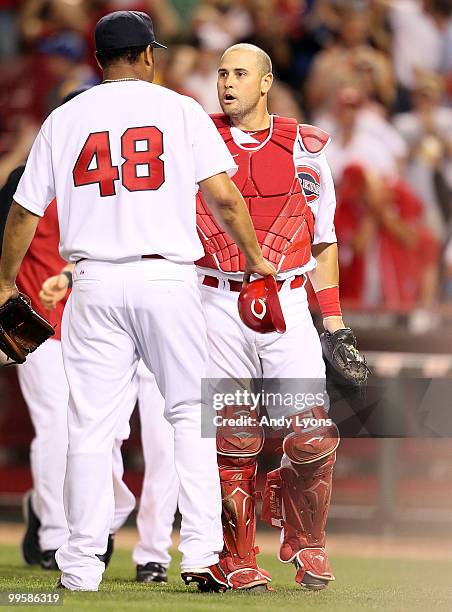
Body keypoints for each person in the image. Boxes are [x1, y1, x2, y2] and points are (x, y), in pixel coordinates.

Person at [0, 11, 274, 592]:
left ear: (100, 59)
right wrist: (253, 254)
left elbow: (24, 211)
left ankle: (78, 568)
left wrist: (3, 284)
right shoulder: (178, 109)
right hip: (166, 280)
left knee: (91, 430)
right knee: (187, 420)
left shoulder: (64, 116)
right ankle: (200, 555)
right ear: (147, 55)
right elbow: (224, 197)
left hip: (92, 282)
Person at [196, 43, 346, 591]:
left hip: (286, 299)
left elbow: (324, 241)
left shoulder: (305, 149)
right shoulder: (196, 142)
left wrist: (333, 321)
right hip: (215, 298)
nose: (227, 82)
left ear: (265, 82)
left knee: (311, 434)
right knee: (234, 438)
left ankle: (306, 541)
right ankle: (237, 556)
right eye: (221, 74)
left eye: (239, 73)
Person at [0, 94, 135, 572]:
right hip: (35, 324)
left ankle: (86, 518)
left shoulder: (116, 180)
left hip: (100, 324)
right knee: (57, 425)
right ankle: (59, 535)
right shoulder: (26, 179)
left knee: (106, 433)